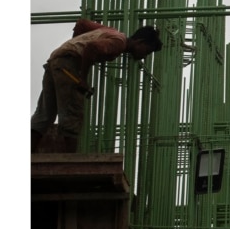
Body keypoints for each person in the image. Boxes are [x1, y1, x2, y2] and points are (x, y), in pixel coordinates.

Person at [31, 19, 163, 153]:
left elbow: (81, 24)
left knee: (44, 115)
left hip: (56, 60)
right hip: (68, 64)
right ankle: (70, 163)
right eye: (146, 51)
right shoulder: (119, 43)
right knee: (73, 114)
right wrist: (82, 78)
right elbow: (91, 48)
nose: (144, 57)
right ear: (140, 42)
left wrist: (73, 45)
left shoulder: (111, 32)